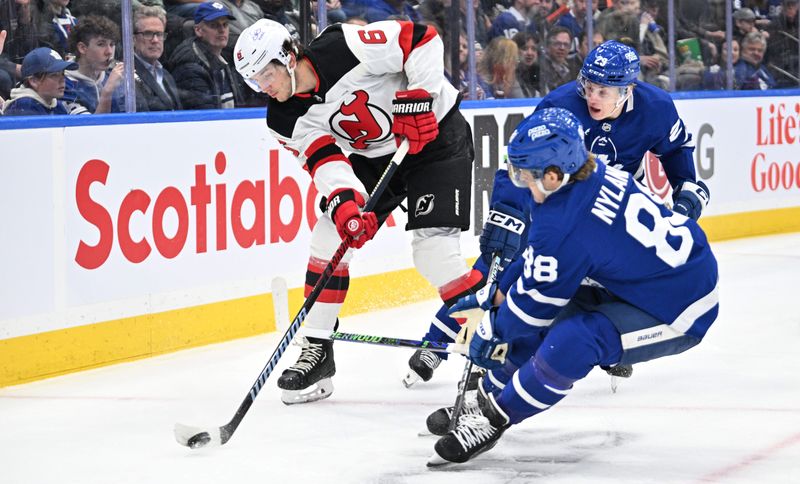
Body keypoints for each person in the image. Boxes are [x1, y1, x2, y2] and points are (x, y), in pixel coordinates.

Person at [406, 40, 711, 390]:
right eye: (588, 86)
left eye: (603, 91)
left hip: (607, 211)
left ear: (627, 90)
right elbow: (518, 160)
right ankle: (438, 340)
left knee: (611, 275)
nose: (592, 97)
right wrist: (508, 214)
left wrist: (686, 187)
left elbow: (676, 150)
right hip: (552, 202)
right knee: (496, 270)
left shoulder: (656, 108)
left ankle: (607, 347)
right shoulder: (561, 106)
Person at [427, 107, 720, 466]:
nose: (519, 181)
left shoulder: (564, 222)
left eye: (524, 175)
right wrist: (496, 293)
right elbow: (540, 260)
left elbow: (533, 307)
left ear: (553, 176)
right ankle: (489, 393)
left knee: (575, 340)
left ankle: (495, 417)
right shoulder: (589, 173)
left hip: (681, 305)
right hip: (648, 277)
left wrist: (492, 331)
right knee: (548, 320)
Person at [233, 19, 482, 404]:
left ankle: (490, 344)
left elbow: (422, 38)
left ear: (288, 56)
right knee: (330, 234)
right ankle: (317, 348)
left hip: (435, 138)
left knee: (434, 254)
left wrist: (421, 97)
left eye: (267, 73)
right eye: (255, 80)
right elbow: (324, 159)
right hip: (377, 156)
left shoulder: (343, 46)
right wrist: (346, 203)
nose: (264, 86)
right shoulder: (282, 117)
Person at [166, 1, 245, 109]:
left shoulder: (228, 58)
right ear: (198, 30)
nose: (222, 30)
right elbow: (204, 118)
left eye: (225, 24)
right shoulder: (190, 67)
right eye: (214, 25)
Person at [63, 14, 125, 114]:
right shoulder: (65, 84)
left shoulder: (115, 77)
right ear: (82, 48)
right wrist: (107, 92)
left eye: (112, 44)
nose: (109, 52)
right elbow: (89, 128)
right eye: (101, 44)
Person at [133, 5, 182, 111]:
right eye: (148, 33)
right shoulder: (126, 75)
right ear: (133, 39)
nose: (155, 40)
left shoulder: (166, 75)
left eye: (159, 34)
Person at [2, 45, 76, 114]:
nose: (62, 80)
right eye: (54, 75)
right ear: (33, 81)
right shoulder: (24, 107)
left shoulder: (57, 106)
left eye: (62, 73)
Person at [539, 26, 581, 95]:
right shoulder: (541, 68)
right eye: (557, 44)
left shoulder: (574, 68)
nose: (562, 48)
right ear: (548, 45)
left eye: (566, 44)